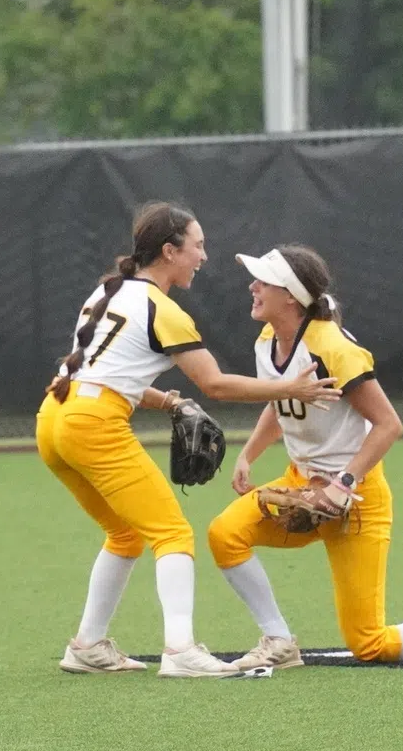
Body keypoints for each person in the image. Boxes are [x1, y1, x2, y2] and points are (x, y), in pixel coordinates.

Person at [39, 204, 339, 678]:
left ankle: (88, 645)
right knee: (172, 533)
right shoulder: (164, 310)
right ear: (169, 250)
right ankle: (180, 650)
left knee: (124, 533)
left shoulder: (108, 290)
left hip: (54, 416)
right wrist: (291, 388)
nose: (202, 256)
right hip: (92, 424)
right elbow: (216, 384)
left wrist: (167, 403)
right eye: (197, 245)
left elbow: (103, 373)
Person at [206, 244, 403, 672]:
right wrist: (249, 453)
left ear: (291, 296)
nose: (253, 286)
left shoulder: (332, 348)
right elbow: (282, 400)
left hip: (357, 500)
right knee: (225, 534)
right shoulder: (268, 340)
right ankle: (279, 640)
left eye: (264, 280)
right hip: (301, 483)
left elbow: (388, 423)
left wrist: (343, 483)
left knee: (368, 642)